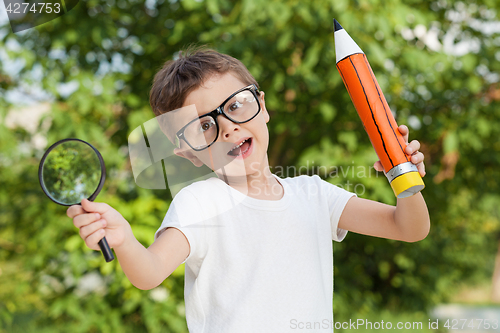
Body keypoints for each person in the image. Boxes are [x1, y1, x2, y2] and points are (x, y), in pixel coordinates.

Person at [67, 47, 430, 332]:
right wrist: (125, 240)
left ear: (263, 106)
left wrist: (405, 182)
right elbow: (148, 273)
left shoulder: (315, 196)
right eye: (202, 127)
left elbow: (409, 228)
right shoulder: (200, 202)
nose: (226, 128)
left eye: (236, 106)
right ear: (188, 154)